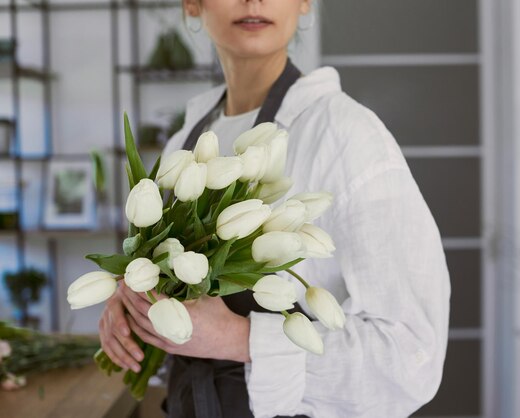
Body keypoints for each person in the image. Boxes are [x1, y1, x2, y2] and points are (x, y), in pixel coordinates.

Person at [98, 0, 451, 417]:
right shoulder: (187, 140)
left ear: (304, 2)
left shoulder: (346, 135)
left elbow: (412, 357)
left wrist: (240, 338)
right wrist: (131, 309)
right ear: (191, 5)